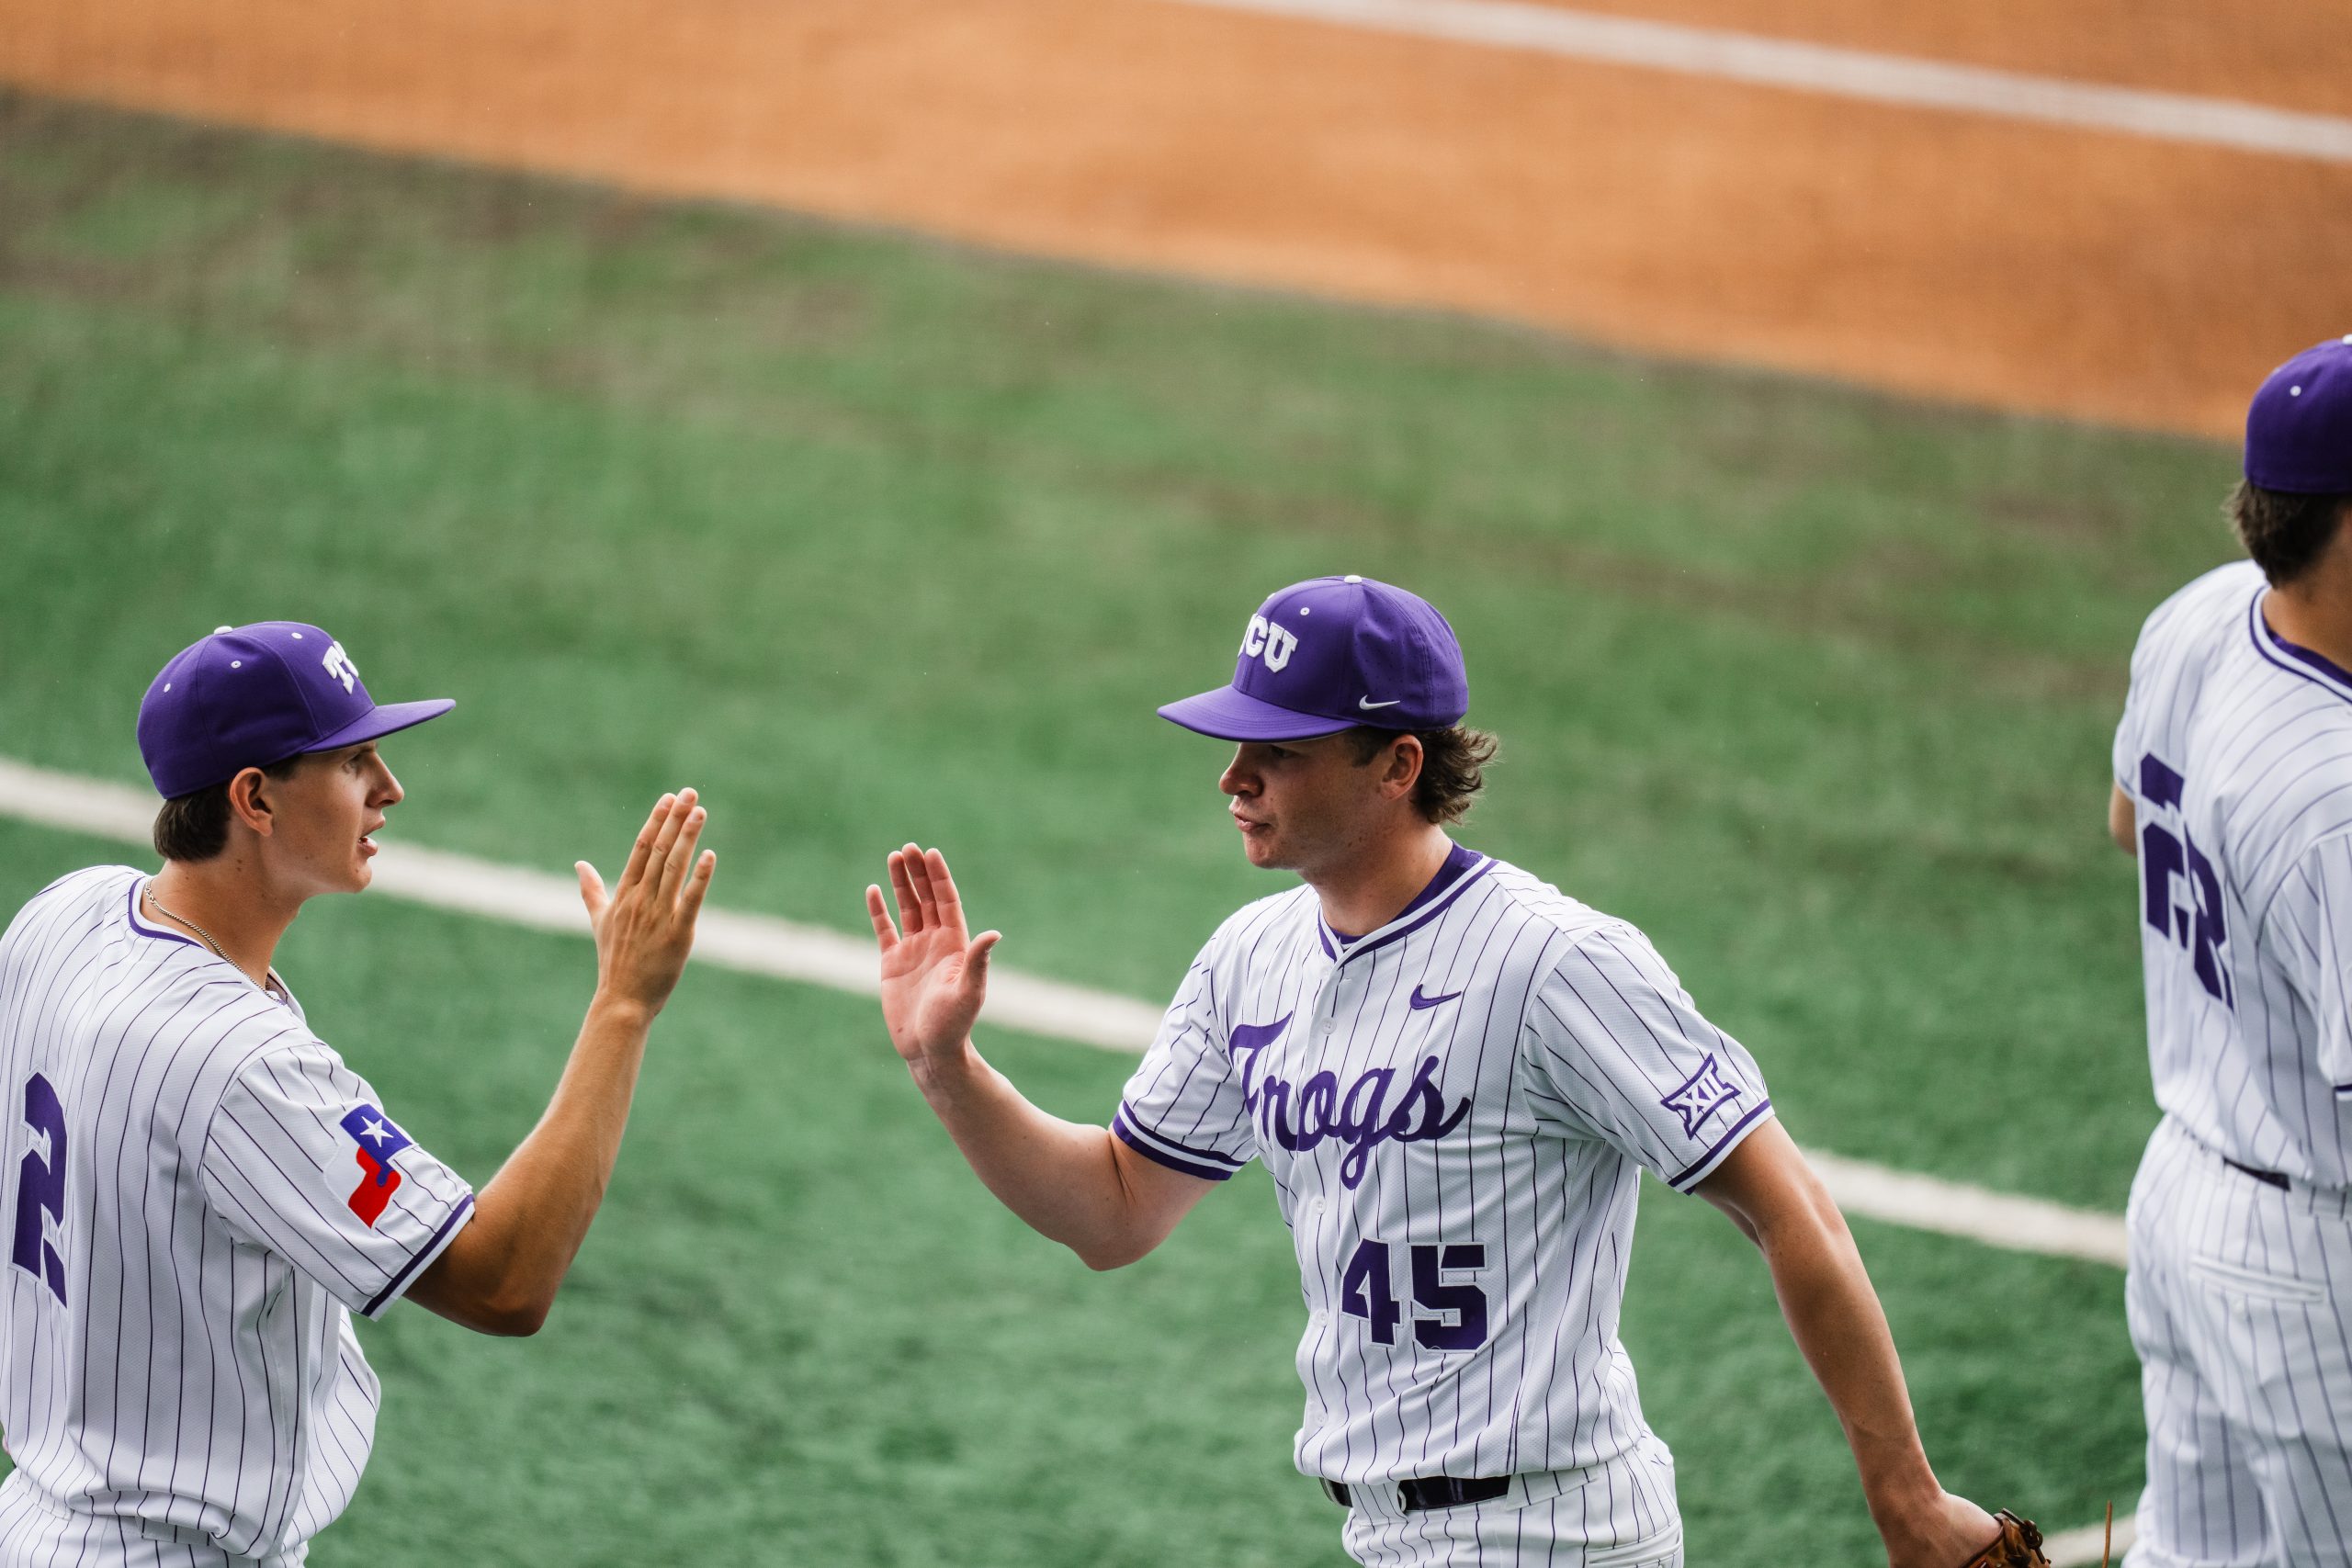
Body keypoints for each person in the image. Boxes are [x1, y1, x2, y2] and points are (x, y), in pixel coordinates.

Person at [868, 575, 2018, 1566]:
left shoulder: (1554, 963)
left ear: (1396, 764)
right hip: (1385, 1536)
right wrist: (948, 1068)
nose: (1234, 776)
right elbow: (1114, 1211)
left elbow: (1789, 1207)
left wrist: (1905, 1497)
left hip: (1557, 1537)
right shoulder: (1247, 962)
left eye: (1279, 750)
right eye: (1236, 743)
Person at [0, 621, 715, 1565]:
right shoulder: (236, 1061)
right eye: (353, 763)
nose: (389, 790)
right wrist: (623, 1006)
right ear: (254, 797)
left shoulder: (69, 913)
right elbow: (504, 1281)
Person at [2106, 336, 2352, 1568]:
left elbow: (2123, 818)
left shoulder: (2203, 614)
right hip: (2317, 1255)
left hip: (2189, 1192)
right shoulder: (2334, 792)